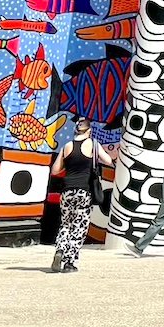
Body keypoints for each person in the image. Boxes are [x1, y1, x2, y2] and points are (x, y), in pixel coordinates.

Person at [49, 117, 107, 274]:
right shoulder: (93, 145)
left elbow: (55, 170)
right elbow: (108, 160)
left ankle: (60, 249)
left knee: (66, 224)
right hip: (83, 191)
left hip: (67, 191)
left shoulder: (66, 146)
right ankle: (69, 262)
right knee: (79, 227)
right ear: (89, 130)